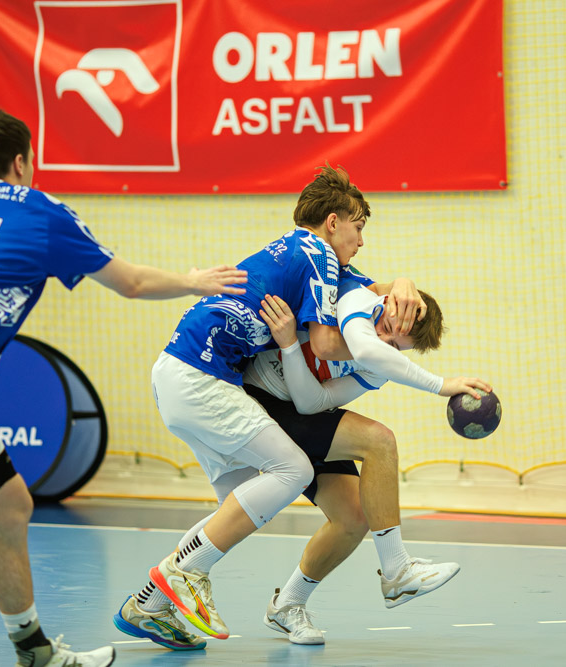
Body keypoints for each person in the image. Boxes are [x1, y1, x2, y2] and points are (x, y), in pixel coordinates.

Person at [0, 108, 248, 667]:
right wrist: (193, 281)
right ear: (21, 162)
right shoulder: (40, 212)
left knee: (10, 507)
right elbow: (131, 282)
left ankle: (36, 652)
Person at [113, 165, 428, 650]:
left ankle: (149, 603)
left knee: (238, 508)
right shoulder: (318, 256)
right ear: (332, 223)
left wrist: (403, 283)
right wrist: (397, 365)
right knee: (293, 470)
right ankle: (187, 576)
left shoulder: (307, 255)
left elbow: (369, 291)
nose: (362, 240)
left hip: (183, 376)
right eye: (359, 226)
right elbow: (325, 345)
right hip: (202, 375)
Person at [248, 282, 490, 644]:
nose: (383, 341)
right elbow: (364, 347)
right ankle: (397, 571)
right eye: (387, 328)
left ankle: (287, 604)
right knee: (379, 440)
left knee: (353, 518)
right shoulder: (356, 299)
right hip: (258, 396)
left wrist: (291, 349)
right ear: (388, 303)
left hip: (298, 410)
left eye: (394, 346)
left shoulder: (379, 369)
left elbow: (312, 404)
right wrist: (441, 385)